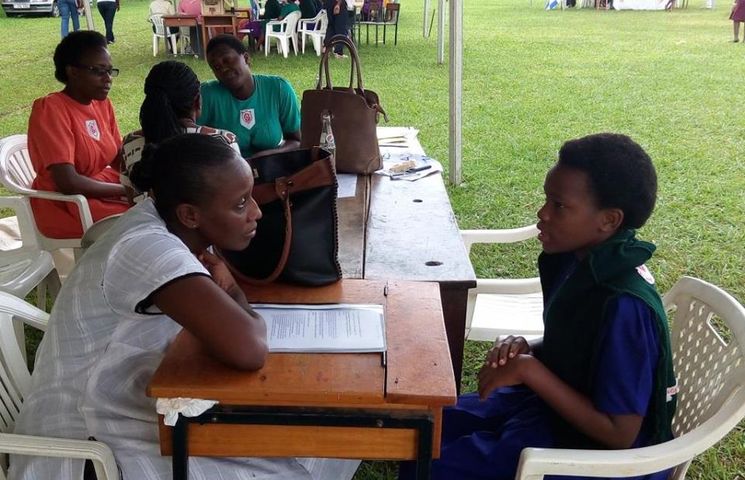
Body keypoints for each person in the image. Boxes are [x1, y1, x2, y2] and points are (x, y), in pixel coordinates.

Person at [9, 134, 361, 480]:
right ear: (190, 214)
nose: (256, 212)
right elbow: (250, 349)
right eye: (240, 204)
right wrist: (234, 292)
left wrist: (232, 295)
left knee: (318, 436)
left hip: (128, 402)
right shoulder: (147, 247)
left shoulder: (161, 221)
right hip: (86, 446)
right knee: (309, 449)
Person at [401, 133, 678, 480]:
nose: (542, 213)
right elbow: (586, 349)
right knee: (426, 427)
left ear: (609, 220)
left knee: (434, 467)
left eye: (559, 206)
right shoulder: (581, 260)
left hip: (603, 457)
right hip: (559, 409)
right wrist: (528, 350)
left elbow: (619, 433)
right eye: (547, 199)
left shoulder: (625, 305)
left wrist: (529, 371)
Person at [26, 30, 128, 240]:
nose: (108, 79)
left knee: (162, 201)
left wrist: (144, 180)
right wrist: (126, 190)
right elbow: (68, 182)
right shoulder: (51, 109)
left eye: (110, 71)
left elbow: (118, 157)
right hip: (66, 203)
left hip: (98, 186)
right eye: (98, 71)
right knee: (149, 217)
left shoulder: (102, 104)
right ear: (72, 71)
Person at [121, 60, 240, 203]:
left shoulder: (129, 143)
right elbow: (237, 201)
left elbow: (133, 204)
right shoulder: (223, 141)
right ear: (197, 100)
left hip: (143, 218)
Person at [198, 34, 301, 159]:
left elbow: (296, 141)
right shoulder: (207, 95)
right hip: (225, 169)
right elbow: (192, 141)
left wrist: (264, 157)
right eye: (216, 67)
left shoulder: (278, 88)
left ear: (246, 58)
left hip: (271, 166)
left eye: (227, 60)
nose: (223, 69)